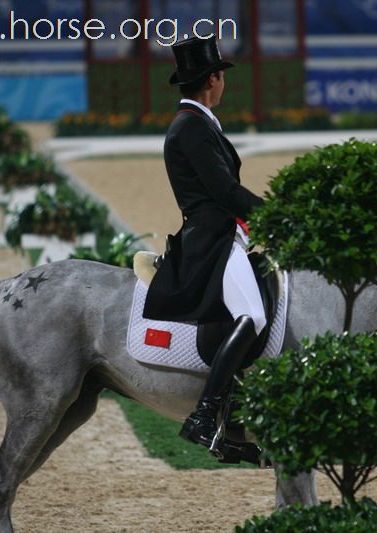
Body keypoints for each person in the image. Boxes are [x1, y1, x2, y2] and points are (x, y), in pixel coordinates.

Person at [143, 36, 266, 450]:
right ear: (213, 78)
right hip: (211, 241)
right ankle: (204, 413)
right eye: (221, 76)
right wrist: (278, 214)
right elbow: (226, 191)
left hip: (222, 233)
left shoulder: (198, 122)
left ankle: (232, 413)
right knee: (253, 316)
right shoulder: (191, 127)